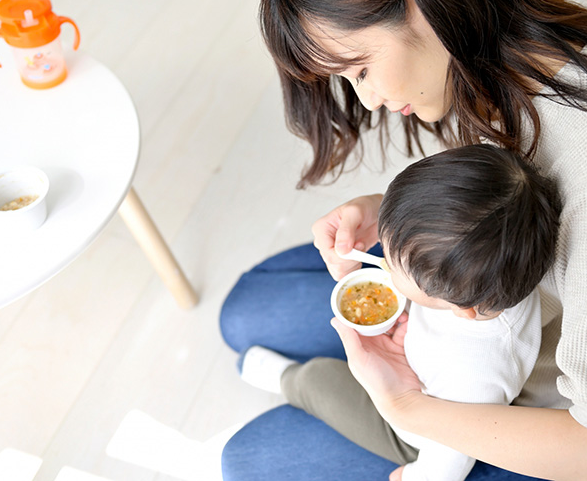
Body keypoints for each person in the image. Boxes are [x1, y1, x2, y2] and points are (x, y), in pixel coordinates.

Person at [219, 0, 587, 480]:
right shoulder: (491, 52)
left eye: (361, 69)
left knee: (245, 460)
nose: (367, 100)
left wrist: (409, 408)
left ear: (415, 2)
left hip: (517, 401)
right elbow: (493, 193)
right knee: (242, 314)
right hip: (448, 291)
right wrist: (388, 213)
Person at [236, 144, 561, 481]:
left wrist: (416, 476)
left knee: (319, 378)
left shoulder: (478, 377)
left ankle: (289, 380)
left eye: (393, 265)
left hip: (419, 429)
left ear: (459, 307)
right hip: (416, 352)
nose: (382, 261)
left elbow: (453, 451)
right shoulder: (491, 276)